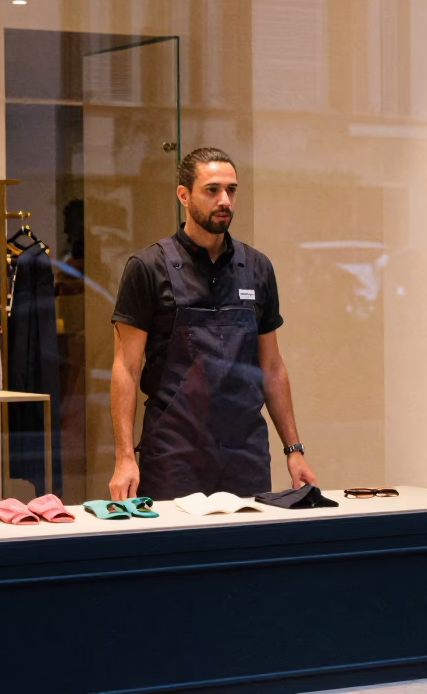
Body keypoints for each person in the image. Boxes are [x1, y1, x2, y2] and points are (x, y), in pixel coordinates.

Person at [108, 147, 317, 501]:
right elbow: (125, 368)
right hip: (174, 452)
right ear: (183, 195)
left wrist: (293, 449)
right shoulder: (147, 268)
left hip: (245, 454)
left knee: (247, 552)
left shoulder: (258, 268)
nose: (225, 200)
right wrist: (124, 458)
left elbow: (271, 366)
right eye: (212, 190)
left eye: (231, 190)